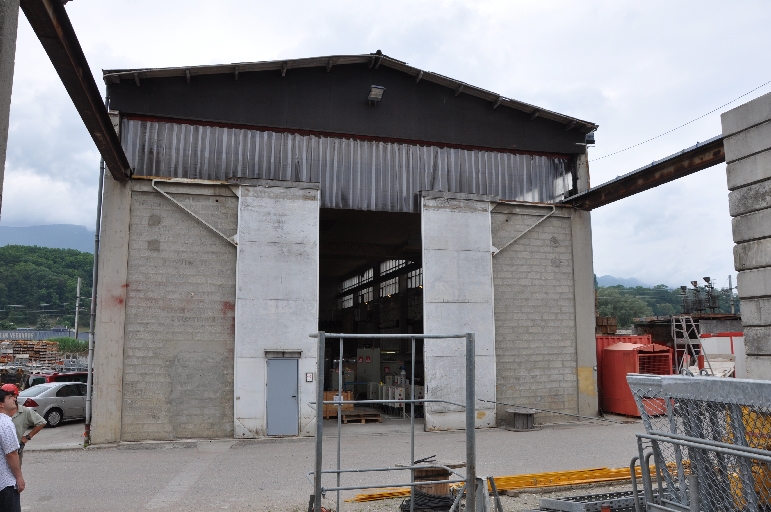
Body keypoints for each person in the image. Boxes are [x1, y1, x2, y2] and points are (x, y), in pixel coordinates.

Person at [0, 385, 45, 466]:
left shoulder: (24, 411)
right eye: (9, 396)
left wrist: (28, 436)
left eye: (14, 396)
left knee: (14, 473)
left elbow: (41, 422)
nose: (13, 398)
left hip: (15, 451)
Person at [0, 389, 23, 512]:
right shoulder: (5, 423)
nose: (14, 399)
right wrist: (19, 478)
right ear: (1, 404)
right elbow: (11, 453)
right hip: (5, 482)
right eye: (10, 397)